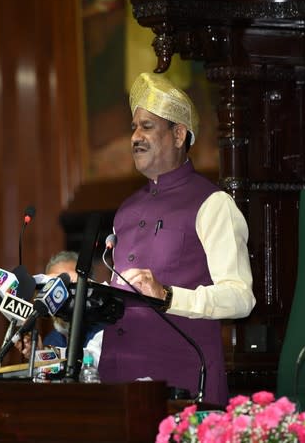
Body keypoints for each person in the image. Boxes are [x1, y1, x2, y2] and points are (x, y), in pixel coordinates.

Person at [97, 72, 256, 405]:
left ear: (179, 134)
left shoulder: (213, 204)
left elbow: (241, 298)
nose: (135, 137)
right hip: (118, 382)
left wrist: (169, 296)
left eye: (147, 127)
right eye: (133, 128)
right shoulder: (126, 210)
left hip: (181, 385)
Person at [15, 251, 104, 365]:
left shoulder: (106, 332)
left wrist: (43, 354)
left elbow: (91, 362)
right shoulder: (53, 339)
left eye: (70, 285)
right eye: (53, 285)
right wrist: (39, 352)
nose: (60, 294)